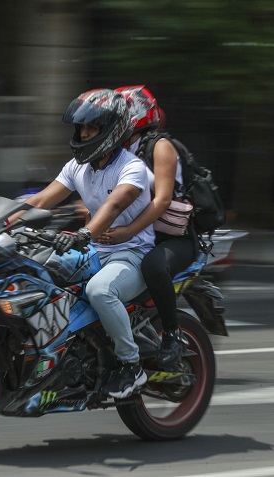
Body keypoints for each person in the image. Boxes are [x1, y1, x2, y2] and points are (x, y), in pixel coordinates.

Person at [20, 88, 155, 398]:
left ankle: (131, 366)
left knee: (99, 291)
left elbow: (114, 207)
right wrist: (2, 222)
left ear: (110, 130)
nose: (83, 134)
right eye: (81, 128)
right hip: (94, 251)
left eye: (91, 128)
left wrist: (85, 234)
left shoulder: (132, 168)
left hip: (130, 254)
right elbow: (41, 199)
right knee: (37, 272)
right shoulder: (77, 167)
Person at [97, 85, 197, 366]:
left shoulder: (160, 147)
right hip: (141, 233)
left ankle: (172, 334)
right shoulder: (117, 150)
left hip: (171, 237)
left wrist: (127, 232)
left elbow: (163, 199)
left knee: (152, 266)